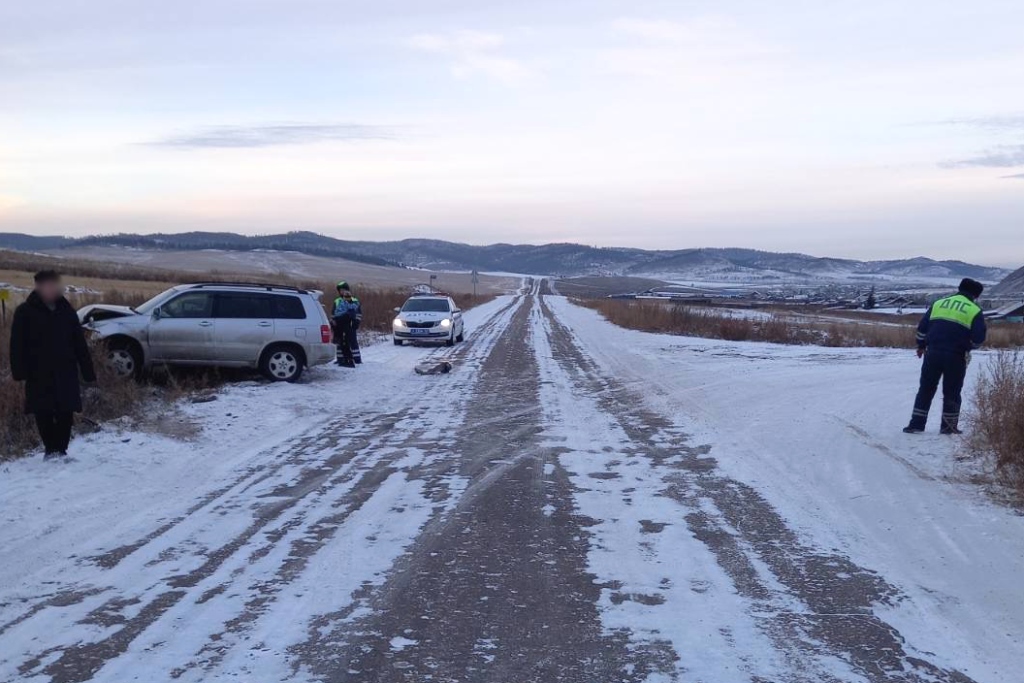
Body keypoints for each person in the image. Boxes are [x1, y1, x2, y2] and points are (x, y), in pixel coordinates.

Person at [9, 270, 97, 459]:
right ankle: (50, 449)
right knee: (43, 411)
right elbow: (16, 345)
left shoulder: (67, 311)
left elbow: (79, 343)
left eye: (53, 285)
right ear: (38, 287)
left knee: (66, 410)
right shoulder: (25, 312)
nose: (50, 289)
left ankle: (61, 450)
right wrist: (19, 371)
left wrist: (88, 370)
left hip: (65, 370)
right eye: (46, 285)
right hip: (38, 372)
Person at [903, 278, 987, 435]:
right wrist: (968, 347)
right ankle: (948, 427)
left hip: (932, 352)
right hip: (956, 356)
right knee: (952, 391)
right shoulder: (974, 310)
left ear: (960, 288)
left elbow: (922, 328)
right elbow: (978, 339)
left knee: (926, 389)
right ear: (976, 295)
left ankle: (916, 424)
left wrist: (921, 345)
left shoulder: (939, 303)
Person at [332, 281, 363, 368]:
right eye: (340, 290)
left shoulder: (354, 300)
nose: (342, 291)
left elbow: (358, 313)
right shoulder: (337, 301)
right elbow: (333, 313)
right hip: (339, 324)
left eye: (343, 290)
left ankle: (357, 359)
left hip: (350, 324)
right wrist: (333, 322)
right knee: (340, 342)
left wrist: (357, 322)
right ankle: (340, 359)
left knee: (352, 341)